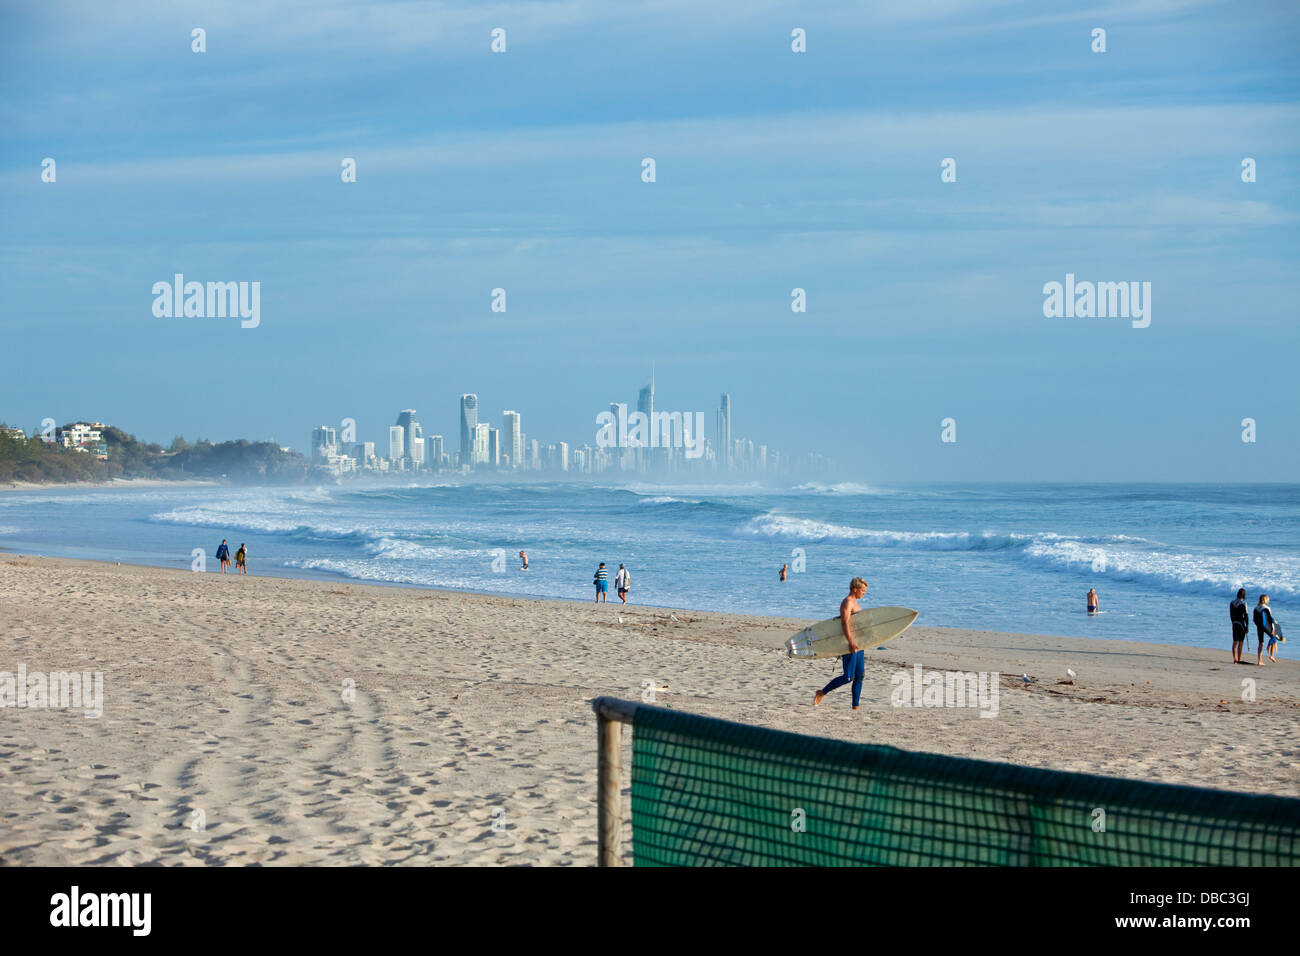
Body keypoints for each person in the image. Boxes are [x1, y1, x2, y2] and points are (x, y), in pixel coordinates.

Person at [814, 577, 869, 711]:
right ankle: (822, 692)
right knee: (848, 677)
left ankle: (855, 705)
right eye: (862, 590)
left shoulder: (855, 602)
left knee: (860, 675)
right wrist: (850, 642)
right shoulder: (847, 602)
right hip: (848, 643)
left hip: (858, 644)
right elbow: (844, 624)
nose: (864, 593)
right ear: (855, 589)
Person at [1254, 595, 1278, 665]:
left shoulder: (1256, 608)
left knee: (1261, 643)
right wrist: (1273, 628)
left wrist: (1258, 625)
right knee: (1273, 638)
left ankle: (1260, 661)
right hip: (1267, 626)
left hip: (1259, 627)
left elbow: (1254, 620)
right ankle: (1271, 655)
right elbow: (1270, 619)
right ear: (1266, 600)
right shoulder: (1267, 608)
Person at [1230, 588, 1250, 664]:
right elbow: (1246, 616)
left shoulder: (1232, 602)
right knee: (1241, 642)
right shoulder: (1244, 603)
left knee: (1235, 642)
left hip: (1234, 623)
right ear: (1244, 595)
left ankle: (1235, 659)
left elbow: (1231, 615)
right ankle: (1239, 658)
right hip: (1241, 624)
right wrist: (1247, 626)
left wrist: (1233, 623)